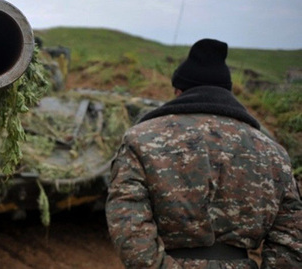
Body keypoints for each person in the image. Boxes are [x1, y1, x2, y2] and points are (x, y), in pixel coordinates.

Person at [105, 38, 302, 268]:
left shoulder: (141, 140)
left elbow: (128, 225)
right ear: (227, 91)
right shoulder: (275, 154)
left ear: (179, 91)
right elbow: (290, 239)